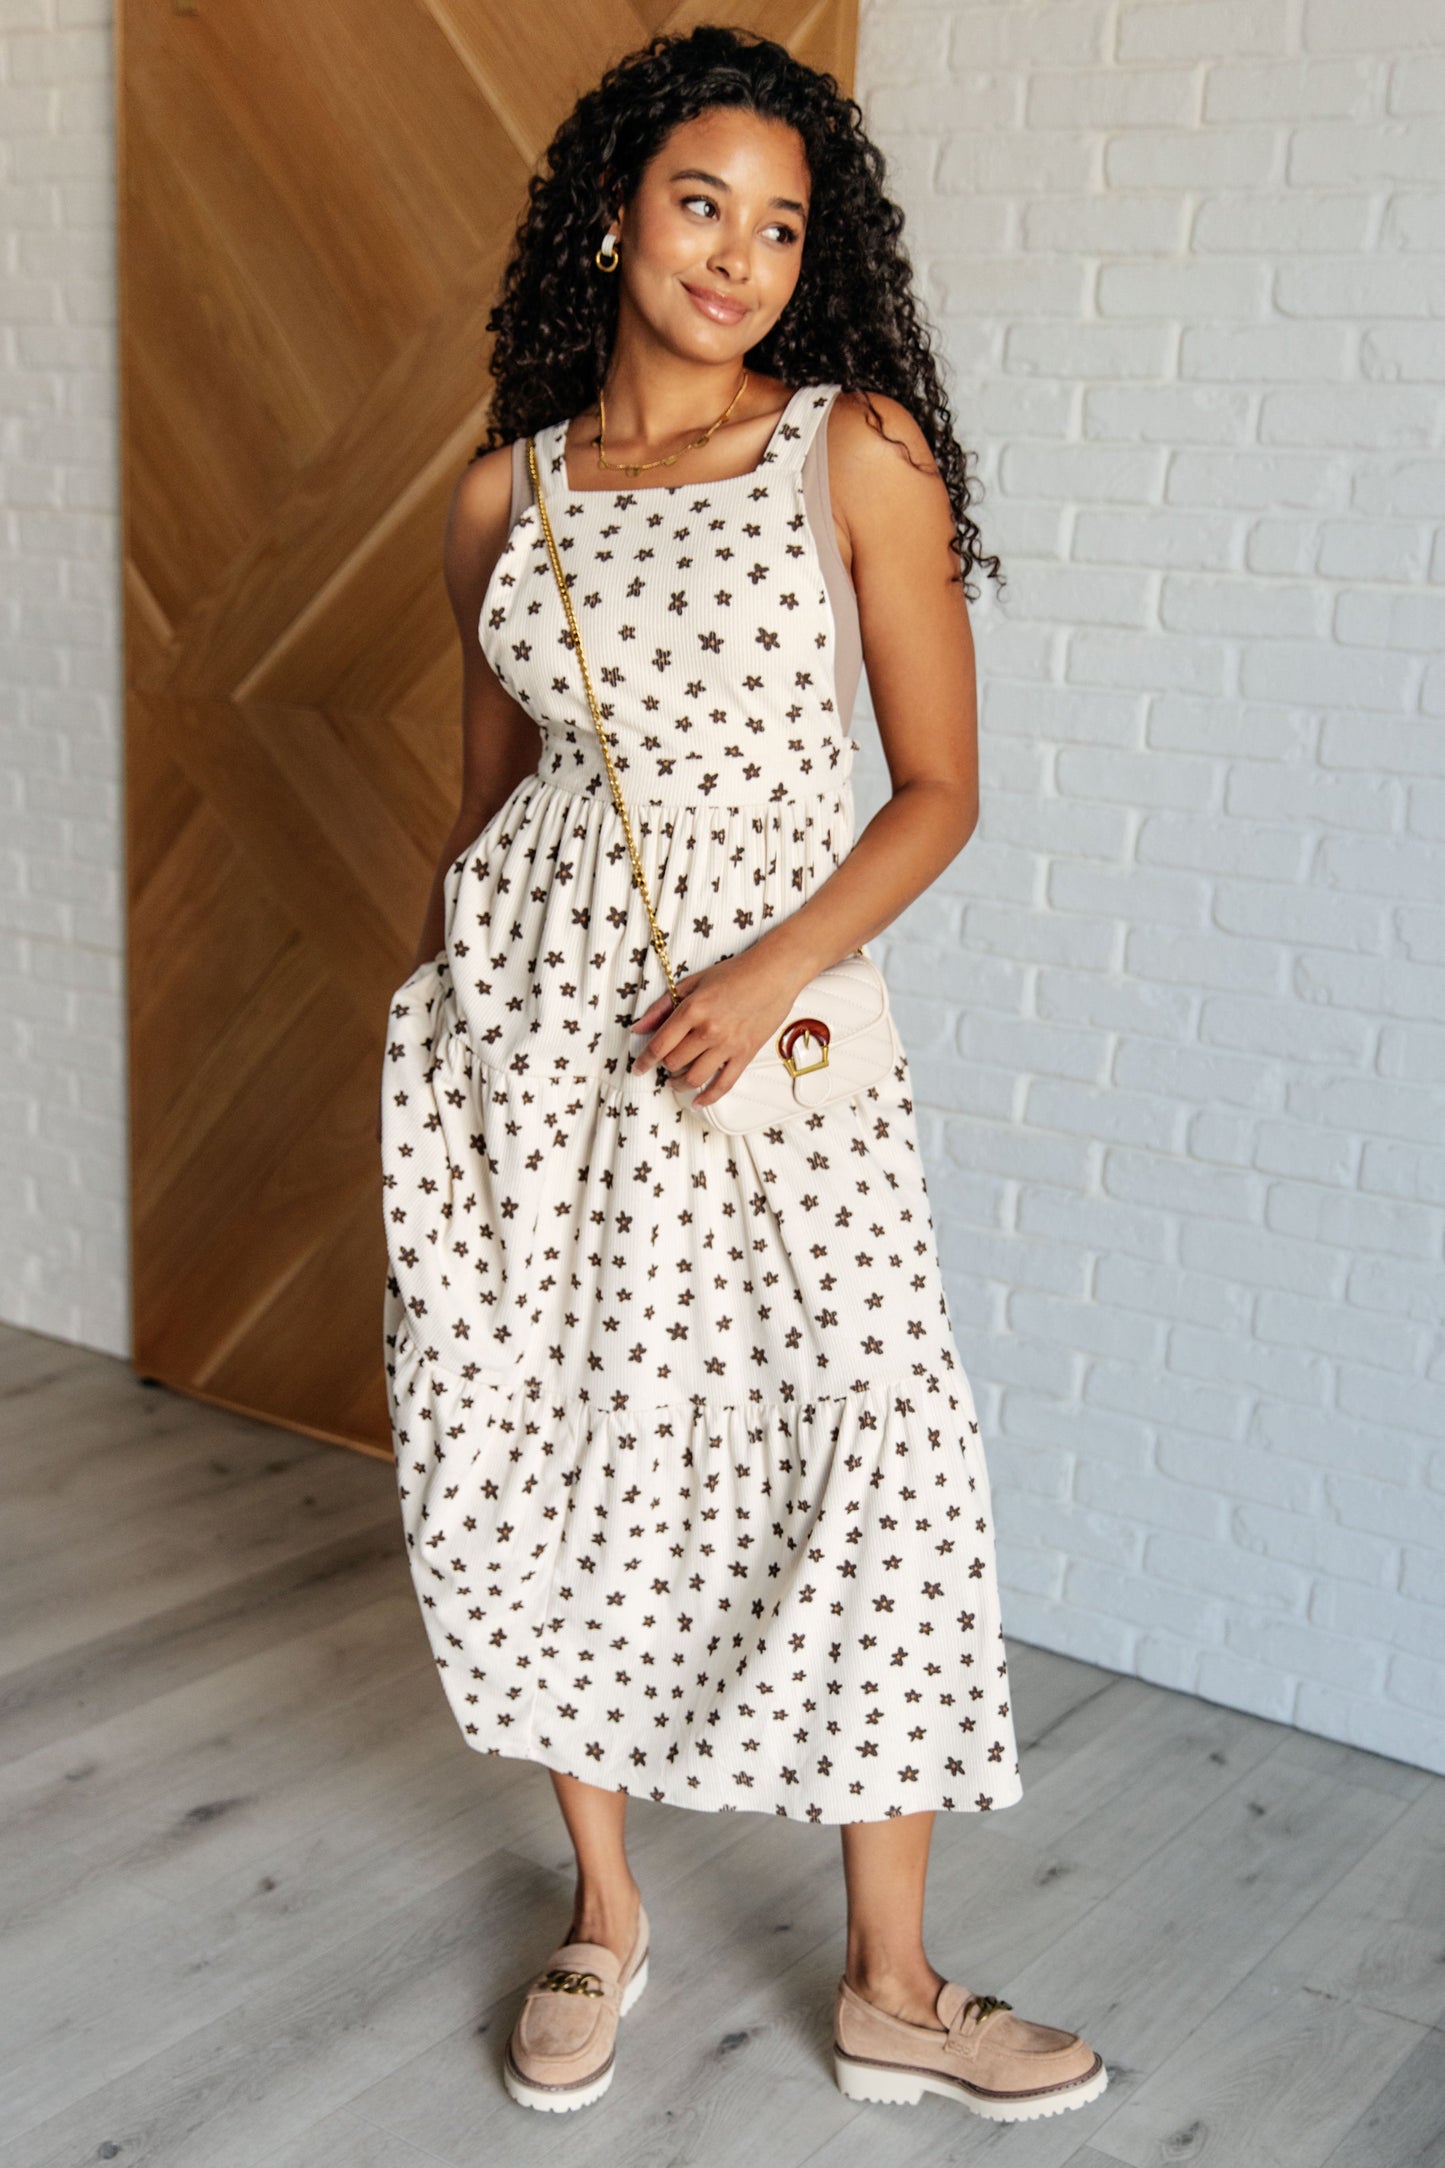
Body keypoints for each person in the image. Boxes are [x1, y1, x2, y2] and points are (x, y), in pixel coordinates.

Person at [378, 21, 1105, 2127]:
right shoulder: (502, 497)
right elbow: (487, 813)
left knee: (880, 1444)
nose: (738, 255)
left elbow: (939, 788)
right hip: (534, 1054)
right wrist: (442, 1049)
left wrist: (761, 969)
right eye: (702, 204)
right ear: (614, 218)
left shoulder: (850, 449)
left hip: (769, 1050)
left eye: (783, 227)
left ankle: (894, 1983)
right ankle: (601, 1912)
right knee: (553, 1445)